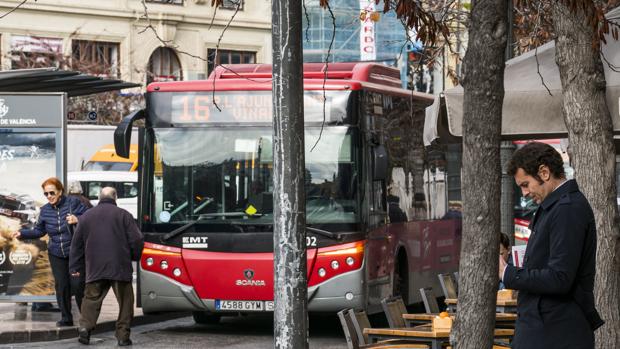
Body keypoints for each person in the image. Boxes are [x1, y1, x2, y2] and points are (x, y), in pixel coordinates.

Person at [499, 142, 604, 349]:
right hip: (549, 329)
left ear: (544, 172)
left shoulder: (567, 209)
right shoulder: (559, 206)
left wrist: (508, 273)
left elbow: (560, 278)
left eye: (525, 184)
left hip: (554, 331)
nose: (524, 193)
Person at [69, 187, 143, 346]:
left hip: (95, 266)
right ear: (115, 197)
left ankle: (85, 328)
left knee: (91, 298)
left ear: (99, 197)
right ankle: (123, 336)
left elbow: (76, 245)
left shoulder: (86, 217)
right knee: (125, 302)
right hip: (119, 266)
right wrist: (134, 256)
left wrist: (74, 267)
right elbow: (137, 240)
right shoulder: (124, 215)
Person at [13, 177, 89, 326]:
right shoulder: (45, 210)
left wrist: (77, 219)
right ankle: (66, 318)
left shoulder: (73, 203)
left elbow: (91, 216)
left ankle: (86, 318)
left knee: (78, 285)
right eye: (46, 194)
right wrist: (22, 234)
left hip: (74, 252)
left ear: (60, 191)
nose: (49, 196)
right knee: (61, 286)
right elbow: (39, 231)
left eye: (51, 193)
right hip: (56, 253)